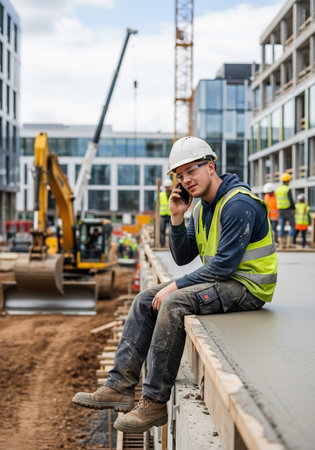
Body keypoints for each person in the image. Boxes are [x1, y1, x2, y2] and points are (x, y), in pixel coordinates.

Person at [72, 136, 277, 434]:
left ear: (211, 166)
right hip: (223, 280)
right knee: (145, 299)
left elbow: (224, 265)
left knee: (173, 302)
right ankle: (119, 385)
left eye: (191, 171)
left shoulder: (238, 204)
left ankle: (154, 402)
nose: (186, 180)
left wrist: (174, 287)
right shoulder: (202, 207)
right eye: (180, 175)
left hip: (247, 286)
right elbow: (183, 257)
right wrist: (177, 217)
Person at [275, 173, 295, 249]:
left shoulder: (277, 189)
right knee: (293, 226)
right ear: (287, 181)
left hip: (280, 210)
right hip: (288, 210)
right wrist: (294, 208)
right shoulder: (287, 189)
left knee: (282, 227)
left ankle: (281, 244)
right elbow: (291, 201)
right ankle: (289, 243)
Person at [159, 178, 173, 247]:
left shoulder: (173, 194)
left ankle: (171, 245)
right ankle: (162, 244)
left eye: (168, 187)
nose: (167, 188)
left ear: (170, 187)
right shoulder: (161, 195)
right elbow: (157, 205)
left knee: (171, 231)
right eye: (166, 187)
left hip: (171, 215)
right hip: (163, 215)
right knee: (162, 230)